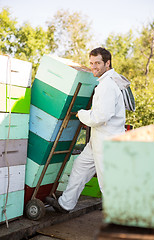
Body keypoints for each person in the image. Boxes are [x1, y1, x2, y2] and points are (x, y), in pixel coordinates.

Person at [46, 47, 126, 213]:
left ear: (107, 63)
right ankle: (66, 203)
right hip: (98, 140)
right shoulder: (105, 83)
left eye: (97, 63)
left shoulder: (107, 86)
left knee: (108, 183)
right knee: (80, 167)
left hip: (108, 142)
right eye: (91, 63)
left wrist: (81, 113)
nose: (93, 66)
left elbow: (100, 117)